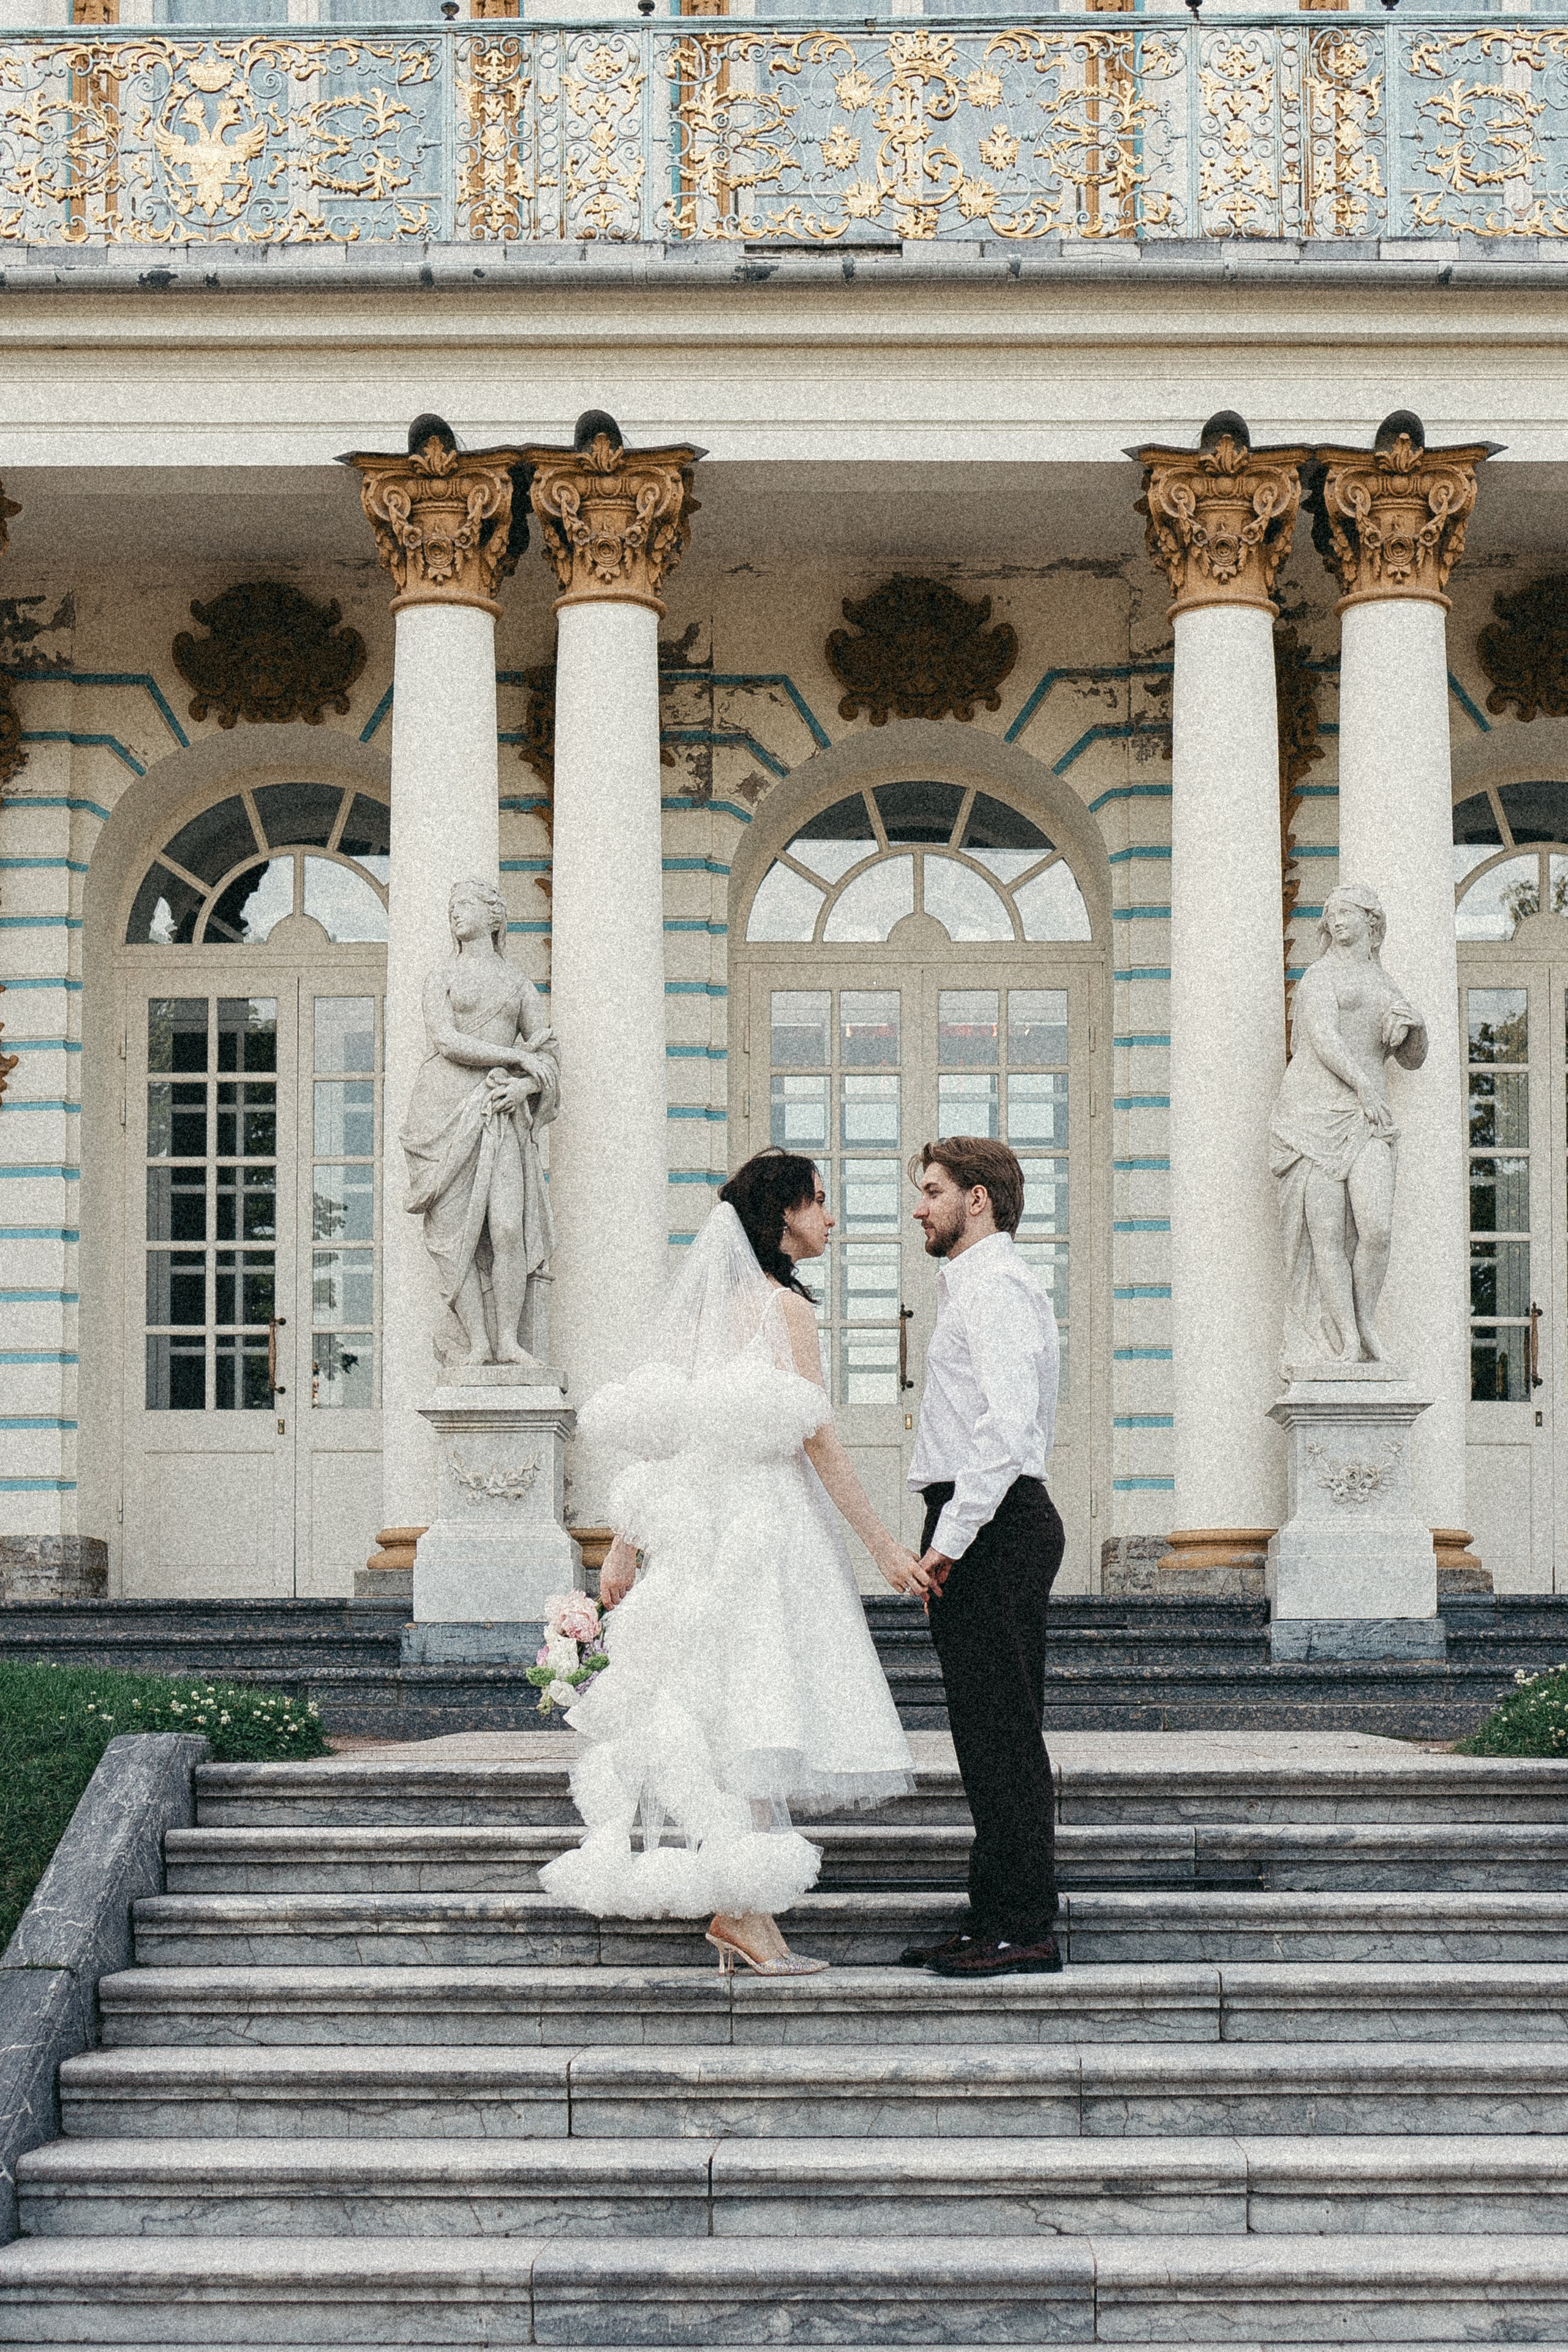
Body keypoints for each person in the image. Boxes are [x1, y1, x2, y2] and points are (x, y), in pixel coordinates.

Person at [539, 1148, 924, 1975]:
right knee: (754, 1709)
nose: (831, 1218)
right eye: (820, 1202)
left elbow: (664, 1438)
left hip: (699, 1532)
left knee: (725, 1713)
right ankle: (744, 1911)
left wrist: (624, 1549)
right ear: (784, 1211)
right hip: (762, 1533)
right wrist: (883, 1546)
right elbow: (818, 1441)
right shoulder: (785, 1312)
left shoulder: (703, 1317)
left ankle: (745, 1913)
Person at [900, 1136, 1065, 1978]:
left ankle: (1026, 1927)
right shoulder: (977, 1287)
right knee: (986, 1735)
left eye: (932, 1191)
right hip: (990, 1518)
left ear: (979, 1200)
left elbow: (1006, 1431)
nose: (919, 1207)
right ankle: (992, 1915)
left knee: (1002, 1736)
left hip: (992, 1523)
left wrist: (948, 1544)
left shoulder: (995, 1288)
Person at [401, 876, 559, 1367]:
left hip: (499, 1111)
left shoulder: (517, 983)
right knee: (453, 1237)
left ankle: (509, 1340)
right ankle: (478, 1343)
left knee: (508, 1228)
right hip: (441, 1109)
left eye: (465, 904)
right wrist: (515, 1057)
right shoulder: (440, 977)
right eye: (452, 906)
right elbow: (445, 1040)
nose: (455, 913)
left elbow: (548, 1054)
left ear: (494, 917)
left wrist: (523, 1086)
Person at [1268, 881, 1427, 1369]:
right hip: (1313, 1114)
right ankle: (1346, 1342)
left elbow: (1413, 1060)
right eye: (1331, 914)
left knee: (1376, 1228)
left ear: (1371, 923)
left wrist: (1416, 1027)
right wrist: (1364, 1085)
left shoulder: (1386, 984)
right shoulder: (1321, 976)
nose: (1336, 921)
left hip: (1366, 1116)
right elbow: (1322, 1038)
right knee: (1327, 1237)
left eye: (1347, 913)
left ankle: (1366, 1322)